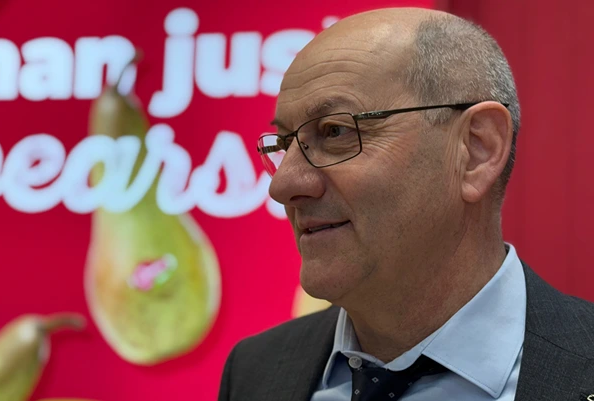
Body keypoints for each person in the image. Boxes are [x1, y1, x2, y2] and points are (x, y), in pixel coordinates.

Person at [218, 7, 594, 401]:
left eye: (335, 131)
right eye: (284, 143)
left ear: (476, 150)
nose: (282, 185)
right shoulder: (256, 372)